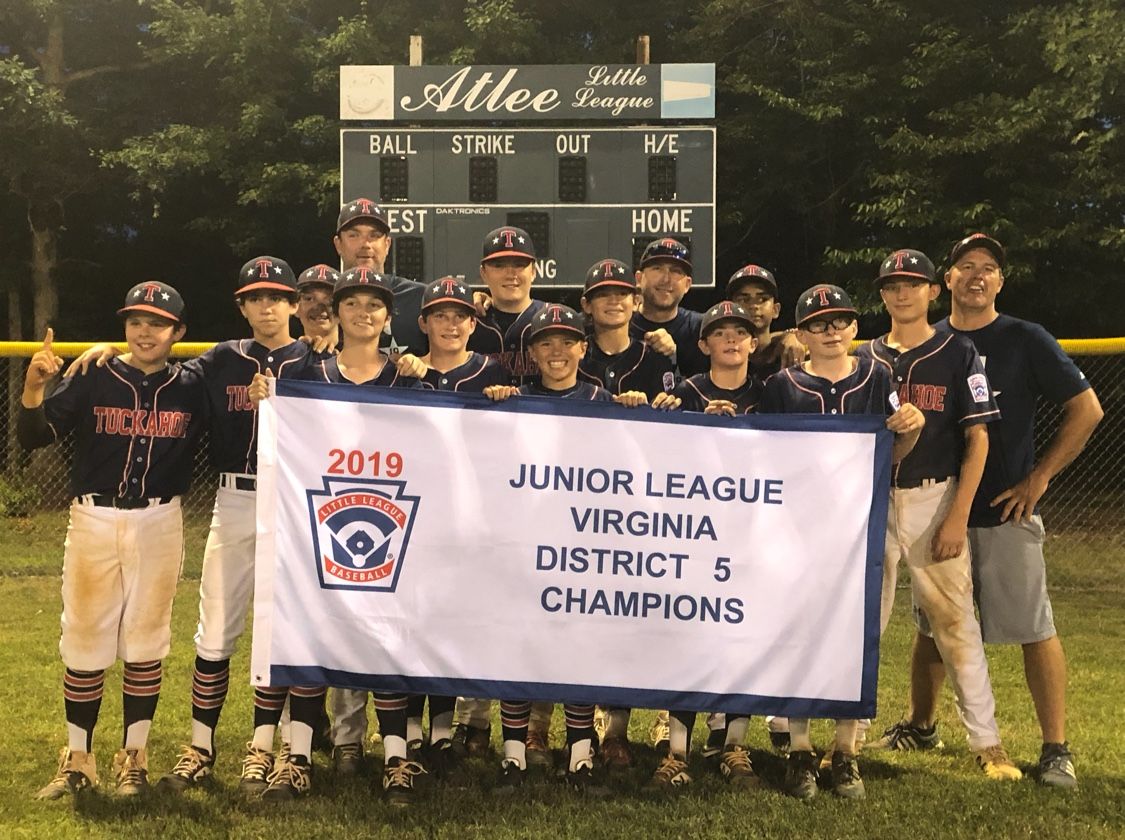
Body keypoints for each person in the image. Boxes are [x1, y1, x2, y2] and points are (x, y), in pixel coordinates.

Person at [910, 233, 1103, 787]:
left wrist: (1039, 477)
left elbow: (1086, 409)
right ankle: (921, 725)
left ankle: (1055, 748)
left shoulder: (1024, 338)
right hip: (936, 506)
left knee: (1033, 628)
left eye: (989, 268)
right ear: (945, 279)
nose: (976, 275)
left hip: (1002, 510)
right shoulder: (930, 340)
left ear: (1000, 281)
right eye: (965, 266)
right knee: (933, 627)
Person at [23, 282, 208, 799]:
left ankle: (135, 757)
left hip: (159, 520)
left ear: (179, 332)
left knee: (147, 641)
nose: (145, 331)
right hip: (93, 519)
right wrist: (34, 388)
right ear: (124, 327)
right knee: (83, 638)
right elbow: (33, 437)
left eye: (157, 323)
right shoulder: (93, 374)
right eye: (135, 321)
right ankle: (79, 759)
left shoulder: (193, 383)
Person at [251, 267, 426, 805]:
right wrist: (266, 398)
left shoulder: (406, 378)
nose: (364, 313)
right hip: (321, 521)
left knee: (387, 637)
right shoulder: (308, 373)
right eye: (353, 304)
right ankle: (297, 755)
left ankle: (398, 758)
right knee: (310, 631)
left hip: (391, 521)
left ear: (388, 317)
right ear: (339, 310)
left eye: (375, 306)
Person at [855, 248, 1021, 781]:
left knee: (954, 623)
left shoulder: (958, 350)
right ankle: (849, 735)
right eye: (891, 285)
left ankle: (988, 743)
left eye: (913, 283)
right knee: (861, 623)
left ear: (933, 290)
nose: (902, 293)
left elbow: (978, 438)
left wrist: (957, 516)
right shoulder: (863, 357)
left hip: (933, 497)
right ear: (881, 294)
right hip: (873, 500)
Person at [760, 284, 925, 799]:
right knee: (800, 634)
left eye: (840, 322)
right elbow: (766, 460)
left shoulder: (877, 375)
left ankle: (847, 751)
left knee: (859, 638)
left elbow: (892, 453)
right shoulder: (783, 384)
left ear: (855, 328)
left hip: (862, 527)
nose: (831, 332)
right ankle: (802, 751)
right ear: (802, 333)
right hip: (800, 530)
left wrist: (912, 428)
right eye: (819, 324)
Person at [484, 303, 648, 795]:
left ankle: (580, 754)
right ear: (531, 352)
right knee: (519, 646)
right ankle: (514, 753)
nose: (556, 352)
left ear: (583, 347)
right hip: (525, 540)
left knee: (579, 647)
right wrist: (493, 403)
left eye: (566, 341)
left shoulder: (605, 401)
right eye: (545, 343)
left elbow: (636, 468)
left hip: (582, 544)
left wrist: (642, 414)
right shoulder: (516, 400)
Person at [578, 258, 678, 403]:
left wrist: (647, 406)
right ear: (586, 305)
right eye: (603, 294)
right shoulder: (575, 357)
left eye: (622, 293)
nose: (613, 301)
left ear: (636, 302)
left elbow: (668, 416)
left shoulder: (653, 359)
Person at [468, 225, 548, 386]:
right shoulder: (465, 325)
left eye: (519, 264)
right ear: (483, 273)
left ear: (533, 271)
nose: (510, 274)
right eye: (499, 265)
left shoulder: (555, 320)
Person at [726, 264, 787, 380]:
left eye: (762, 299)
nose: (753, 306)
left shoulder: (790, 353)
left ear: (775, 309)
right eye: (744, 299)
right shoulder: (719, 354)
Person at [295, 263, 340, 347]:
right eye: (309, 299)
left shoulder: (359, 353)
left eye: (330, 300)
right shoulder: (286, 356)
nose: (319, 308)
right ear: (296, 307)